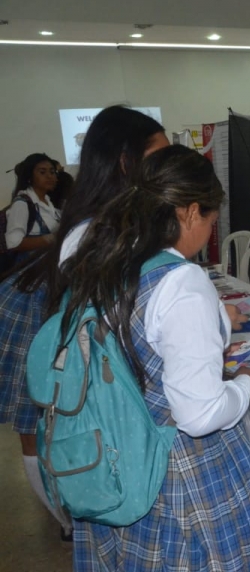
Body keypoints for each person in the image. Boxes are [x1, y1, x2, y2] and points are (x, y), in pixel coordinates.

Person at [58, 144, 250, 572]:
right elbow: (199, 414)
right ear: (189, 212)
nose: (210, 231)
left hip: (116, 457)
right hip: (178, 475)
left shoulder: (103, 255)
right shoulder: (182, 281)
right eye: (210, 220)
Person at [0, 106, 168, 541]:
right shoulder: (98, 229)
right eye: (158, 158)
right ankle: (68, 522)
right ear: (127, 162)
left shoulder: (110, 219)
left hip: (81, 344)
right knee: (49, 427)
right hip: (58, 337)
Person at [5, 153, 61, 256]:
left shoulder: (49, 203)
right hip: (33, 269)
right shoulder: (22, 204)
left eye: (52, 172)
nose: (49, 176)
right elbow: (13, 243)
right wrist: (51, 238)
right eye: (42, 172)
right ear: (29, 176)